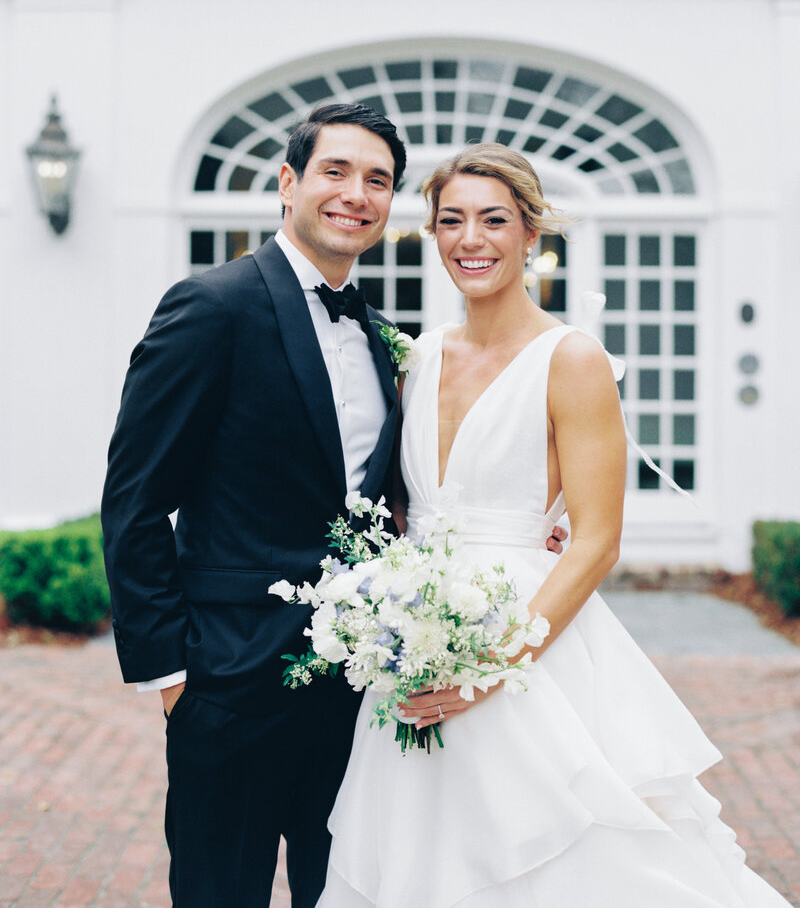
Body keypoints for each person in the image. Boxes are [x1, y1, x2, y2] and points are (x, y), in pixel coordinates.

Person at [317, 142, 792, 907]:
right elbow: (404, 507)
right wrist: (387, 619)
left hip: (526, 649)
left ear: (532, 233)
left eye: (494, 220)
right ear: (433, 235)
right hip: (416, 650)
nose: (471, 239)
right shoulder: (417, 355)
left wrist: (486, 668)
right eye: (452, 221)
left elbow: (598, 541)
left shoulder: (572, 359)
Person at [101, 103, 407, 908]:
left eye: (378, 181)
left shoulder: (381, 337)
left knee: (338, 892)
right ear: (287, 183)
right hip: (227, 683)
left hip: (353, 692)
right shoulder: (211, 306)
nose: (356, 194)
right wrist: (172, 677)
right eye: (336, 171)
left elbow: (382, 501)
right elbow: (134, 500)